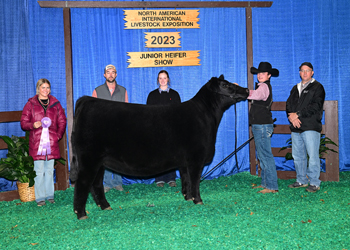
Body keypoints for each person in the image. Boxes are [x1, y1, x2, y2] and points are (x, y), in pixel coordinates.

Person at [20, 78, 67, 206]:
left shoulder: (56, 104)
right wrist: (32, 125)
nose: (45, 90)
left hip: (52, 143)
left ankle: (50, 195)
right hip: (36, 142)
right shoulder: (30, 104)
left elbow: (62, 121)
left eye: (47, 88)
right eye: (43, 88)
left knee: (50, 170)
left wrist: (57, 135)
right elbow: (23, 123)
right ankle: (40, 198)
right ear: (38, 89)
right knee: (39, 171)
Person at [286, 62, 325, 193]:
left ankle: (314, 182)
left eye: (307, 70)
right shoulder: (295, 88)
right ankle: (301, 180)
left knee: (313, 155)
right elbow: (289, 104)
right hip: (296, 127)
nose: (304, 73)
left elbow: (316, 106)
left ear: (312, 72)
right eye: (302, 70)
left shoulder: (318, 87)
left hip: (310, 126)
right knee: (297, 156)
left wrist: (297, 115)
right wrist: (291, 117)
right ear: (299, 72)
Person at [92, 64, 128, 193]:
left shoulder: (123, 91)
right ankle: (107, 183)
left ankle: (118, 183)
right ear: (104, 75)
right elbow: (93, 112)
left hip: (119, 129)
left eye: (113, 72)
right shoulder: (97, 91)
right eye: (108, 72)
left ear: (116, 74)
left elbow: (127, 111)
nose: (111, 74)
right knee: (105, 156)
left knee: (118, 156)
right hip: (103, 130)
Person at [146, 70, 181, 187]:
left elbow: (178, 112)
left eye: (164, 78)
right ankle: (159, 179)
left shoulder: (175, 95)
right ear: (157, 80)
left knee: (172, 154)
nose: (162, 80)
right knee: (158, 154)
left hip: (172, 129)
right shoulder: (152, 95)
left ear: (168, 79)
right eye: (160, 78)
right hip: (157, 129)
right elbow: (148, 113)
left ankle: (171, 178)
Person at [248, 62, 279, 194]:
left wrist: (239, 91)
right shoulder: (262, 86)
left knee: (265, 155)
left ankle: (272, 186)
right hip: (259, 125)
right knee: (262, 155)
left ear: (269, 75)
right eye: (258, 73)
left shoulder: (264, 87)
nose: (260, 75)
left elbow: (255, 95)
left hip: (262, 125)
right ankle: (265, 183)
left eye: (263, 73)